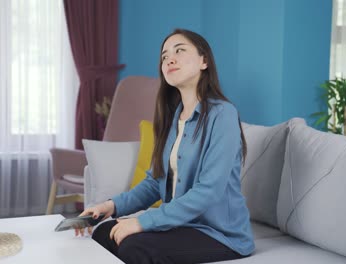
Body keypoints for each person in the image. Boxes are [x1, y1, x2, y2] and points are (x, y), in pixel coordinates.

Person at [75, 28, 254, 264]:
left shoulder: (223, 115)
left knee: (134, 247)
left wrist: (142, 222)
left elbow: (208, 191)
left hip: (219, 234)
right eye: (164, 56)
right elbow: (154, 182)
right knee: (103, 233)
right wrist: (110, 206)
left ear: (204, 61)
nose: (169, 58)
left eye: (179, 50)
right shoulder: (173, 119)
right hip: (180, 224)